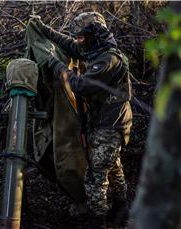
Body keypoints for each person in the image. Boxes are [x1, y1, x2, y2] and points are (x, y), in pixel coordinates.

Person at [32, 12, 133, 228]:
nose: (78, 41)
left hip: (112, 124)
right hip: (106, 121)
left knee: (95, 178)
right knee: (113, 166)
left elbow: (79, 85)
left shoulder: (109, 59)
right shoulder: (95, 49)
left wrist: (57, 66)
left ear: (94, 34)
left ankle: (98, 221)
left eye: (81, 37)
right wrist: (45, 29)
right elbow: (70, 45)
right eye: (77, 37)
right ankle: (121, 211)